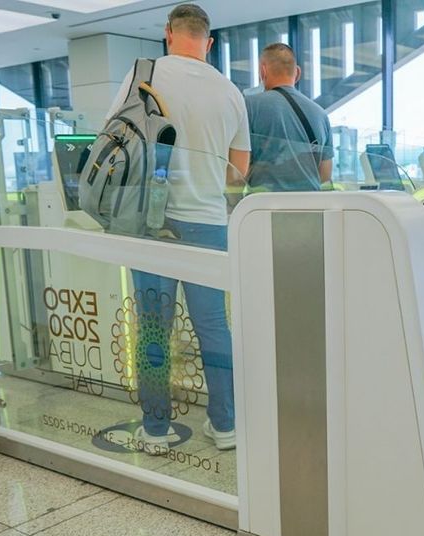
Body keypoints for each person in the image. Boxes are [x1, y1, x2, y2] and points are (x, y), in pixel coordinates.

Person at [106, 3, 250, 454]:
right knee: (214, 327)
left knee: (153, 327)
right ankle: (225, 424)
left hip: (153, 220)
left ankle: (155, 429)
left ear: (168, 33)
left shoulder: (143, 73)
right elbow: (238, 172)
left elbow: (112, 137)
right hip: (209, 222)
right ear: (208, 42)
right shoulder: (230, 92)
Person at [245, 43, 333, 192]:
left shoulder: (249, 106)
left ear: (262, 71)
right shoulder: (321, 114)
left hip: (264, 208)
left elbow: (239, 168)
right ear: (297, 73)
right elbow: (325, 174)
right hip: (311, 208)